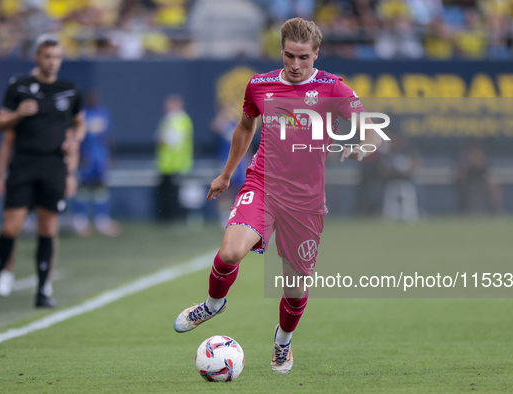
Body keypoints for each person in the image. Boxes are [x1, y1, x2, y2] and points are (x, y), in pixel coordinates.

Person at [173, 18, 384, 373]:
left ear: (316, 53)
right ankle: (212, 305)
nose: (297, 65)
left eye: (304, 57)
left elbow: (371, 129)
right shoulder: (260, 85)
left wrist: (363, 147)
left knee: (296, 289)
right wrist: (226, 174)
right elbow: (245, 126)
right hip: (263, 184)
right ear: (281, 51)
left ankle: (282, 343)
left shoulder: (334, 89)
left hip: (306, 202)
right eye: (290, 56)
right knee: (230, 252)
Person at [0, 34, 85, 313]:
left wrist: (74, 142)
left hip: (53, 166)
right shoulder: (19, 86)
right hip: (23, 164)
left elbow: (78, 124)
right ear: (37, 57)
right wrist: (18, 113)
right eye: (48, 56)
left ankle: (42, 291)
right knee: (11, 227)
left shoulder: (69, 89)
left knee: (47, 227)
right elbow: (1, 124)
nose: (52, 62)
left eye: (57, 57)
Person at [73, 90, 121, 237]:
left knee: (101, 187)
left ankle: (102, 220)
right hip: (86, 157)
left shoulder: (104, 113)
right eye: (90, 97)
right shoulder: (81, 115)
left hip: (101, 158)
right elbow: (76, 137)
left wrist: (111, 157)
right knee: (83, 187)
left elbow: (109, 136)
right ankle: (81, 221)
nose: (93, 99)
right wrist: (78, 155)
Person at [155, 94, 193, 222]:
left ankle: (174, 218)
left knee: (173, 195)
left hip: (177, 164)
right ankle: (167, 218)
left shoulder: (180, 119)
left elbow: (171, 140)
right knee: (166, 194)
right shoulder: (169, 119)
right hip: (167, 164)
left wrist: (162, 140)